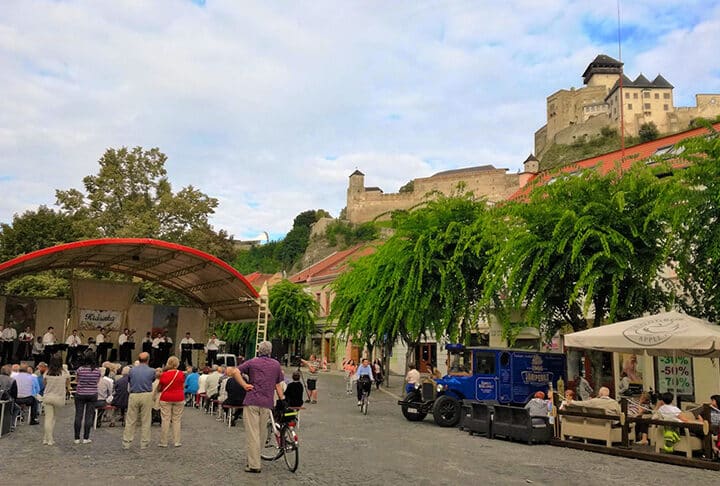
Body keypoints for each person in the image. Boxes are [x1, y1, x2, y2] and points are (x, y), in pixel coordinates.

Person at [231, 340, 285, 474]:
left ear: (259, 350)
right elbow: (278, 385)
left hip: (252, 400)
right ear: (270, 351)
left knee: (253, 433)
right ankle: (255, 458)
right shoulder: (276, 365)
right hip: (267, 403)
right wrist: (282, 400)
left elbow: (235, 371)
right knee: (261, 433)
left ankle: (254, 464)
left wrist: (244, 385)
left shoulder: (252, 362)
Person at [122, 351, 156, 450]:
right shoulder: (152, 371)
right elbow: (152, 380)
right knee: (146, 420)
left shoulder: (131, 370)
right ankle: (144, 443)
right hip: (146, 394)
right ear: (148, 360)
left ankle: (126, 442)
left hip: (134, 394)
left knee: (130, 420)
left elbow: (129, 380)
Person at [158, 355, 185, 448]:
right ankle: (177, 441)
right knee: (176, 420)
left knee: (165, 419)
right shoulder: (181, 374)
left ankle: (163, 441)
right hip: (179, 397)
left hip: (166, 397)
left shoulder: (164, 374)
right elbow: (182, 385)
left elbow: (160, 387)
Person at [74, 351, 101, 443]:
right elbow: (97, 381)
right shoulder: (97, 370)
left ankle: (77, 438)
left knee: (78, 415)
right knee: (89, 416)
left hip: (80, 393)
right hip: (92, 393)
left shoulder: (80, 369)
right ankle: (86, 437)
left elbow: (77, 380)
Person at [42, 356, 69, 445]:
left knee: (48, 418)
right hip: (59, 397)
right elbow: (67, 384)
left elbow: (44, 384)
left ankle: (47, 438)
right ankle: (49, 438)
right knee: (54, 418)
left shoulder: (47, 373)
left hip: (48, 396)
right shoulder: (64, 373)